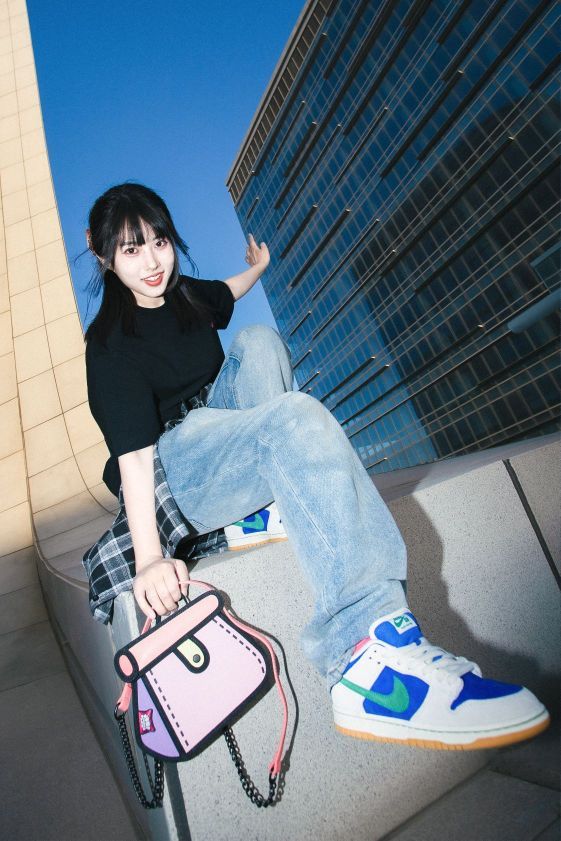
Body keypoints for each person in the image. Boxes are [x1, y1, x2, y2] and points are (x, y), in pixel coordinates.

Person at [84, 182, 549, 750]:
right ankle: (367, 664)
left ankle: (268, 511)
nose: (153, 263)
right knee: (284, 418)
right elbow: (134, 457)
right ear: (104, 256)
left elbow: (229, 290)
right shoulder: (108, 343)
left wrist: (259, 266)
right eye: (132, 250)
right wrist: (150, 560)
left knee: (258, 340)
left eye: (160, 243)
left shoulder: (186, 296)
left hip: (230, 443)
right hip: (180, 470)